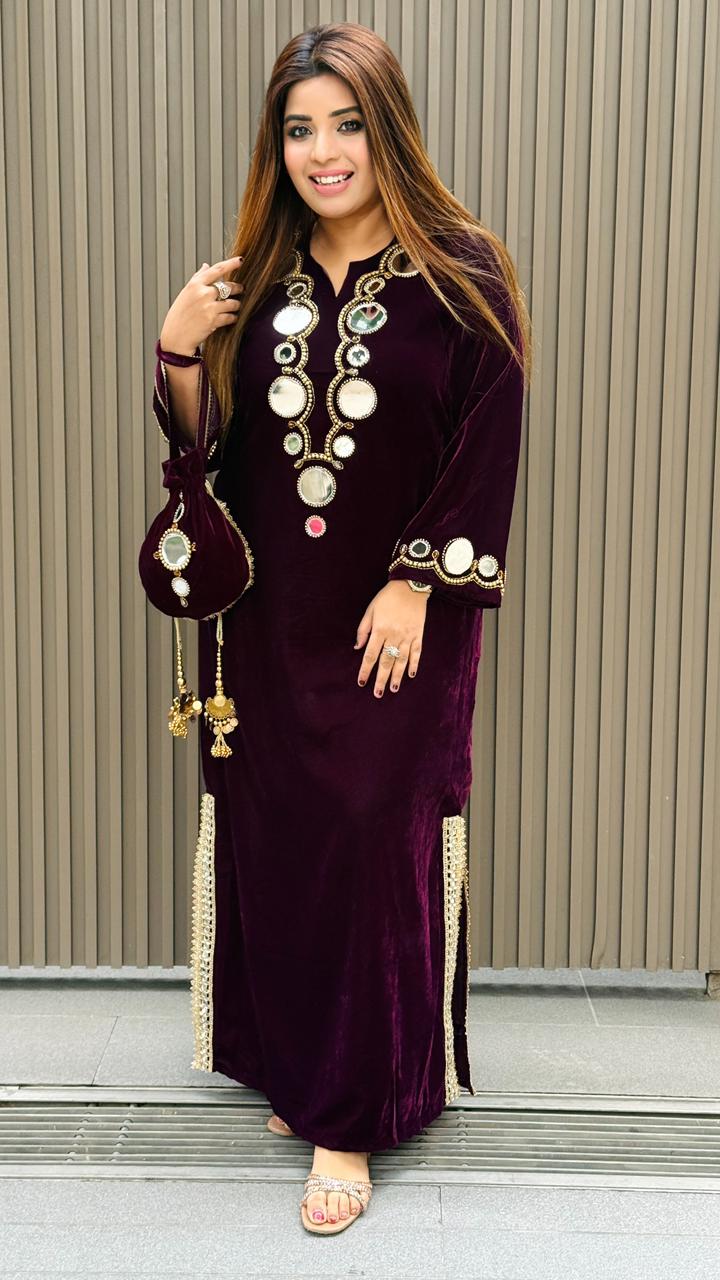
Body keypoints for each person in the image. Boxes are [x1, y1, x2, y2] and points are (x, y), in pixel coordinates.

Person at [151, 20, 530, 1236]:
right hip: (272, 620)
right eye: (300, 129)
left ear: (390, 129)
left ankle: (350, 1117)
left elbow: (490, 437)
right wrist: (178, 343)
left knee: (372, 837)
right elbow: (203, 451)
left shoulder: (462, 272)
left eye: (348, 124)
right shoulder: (257, 277)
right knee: (284, 838)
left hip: (397, 624)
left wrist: (418, 579)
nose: (324, 152)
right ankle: (301, 1065)